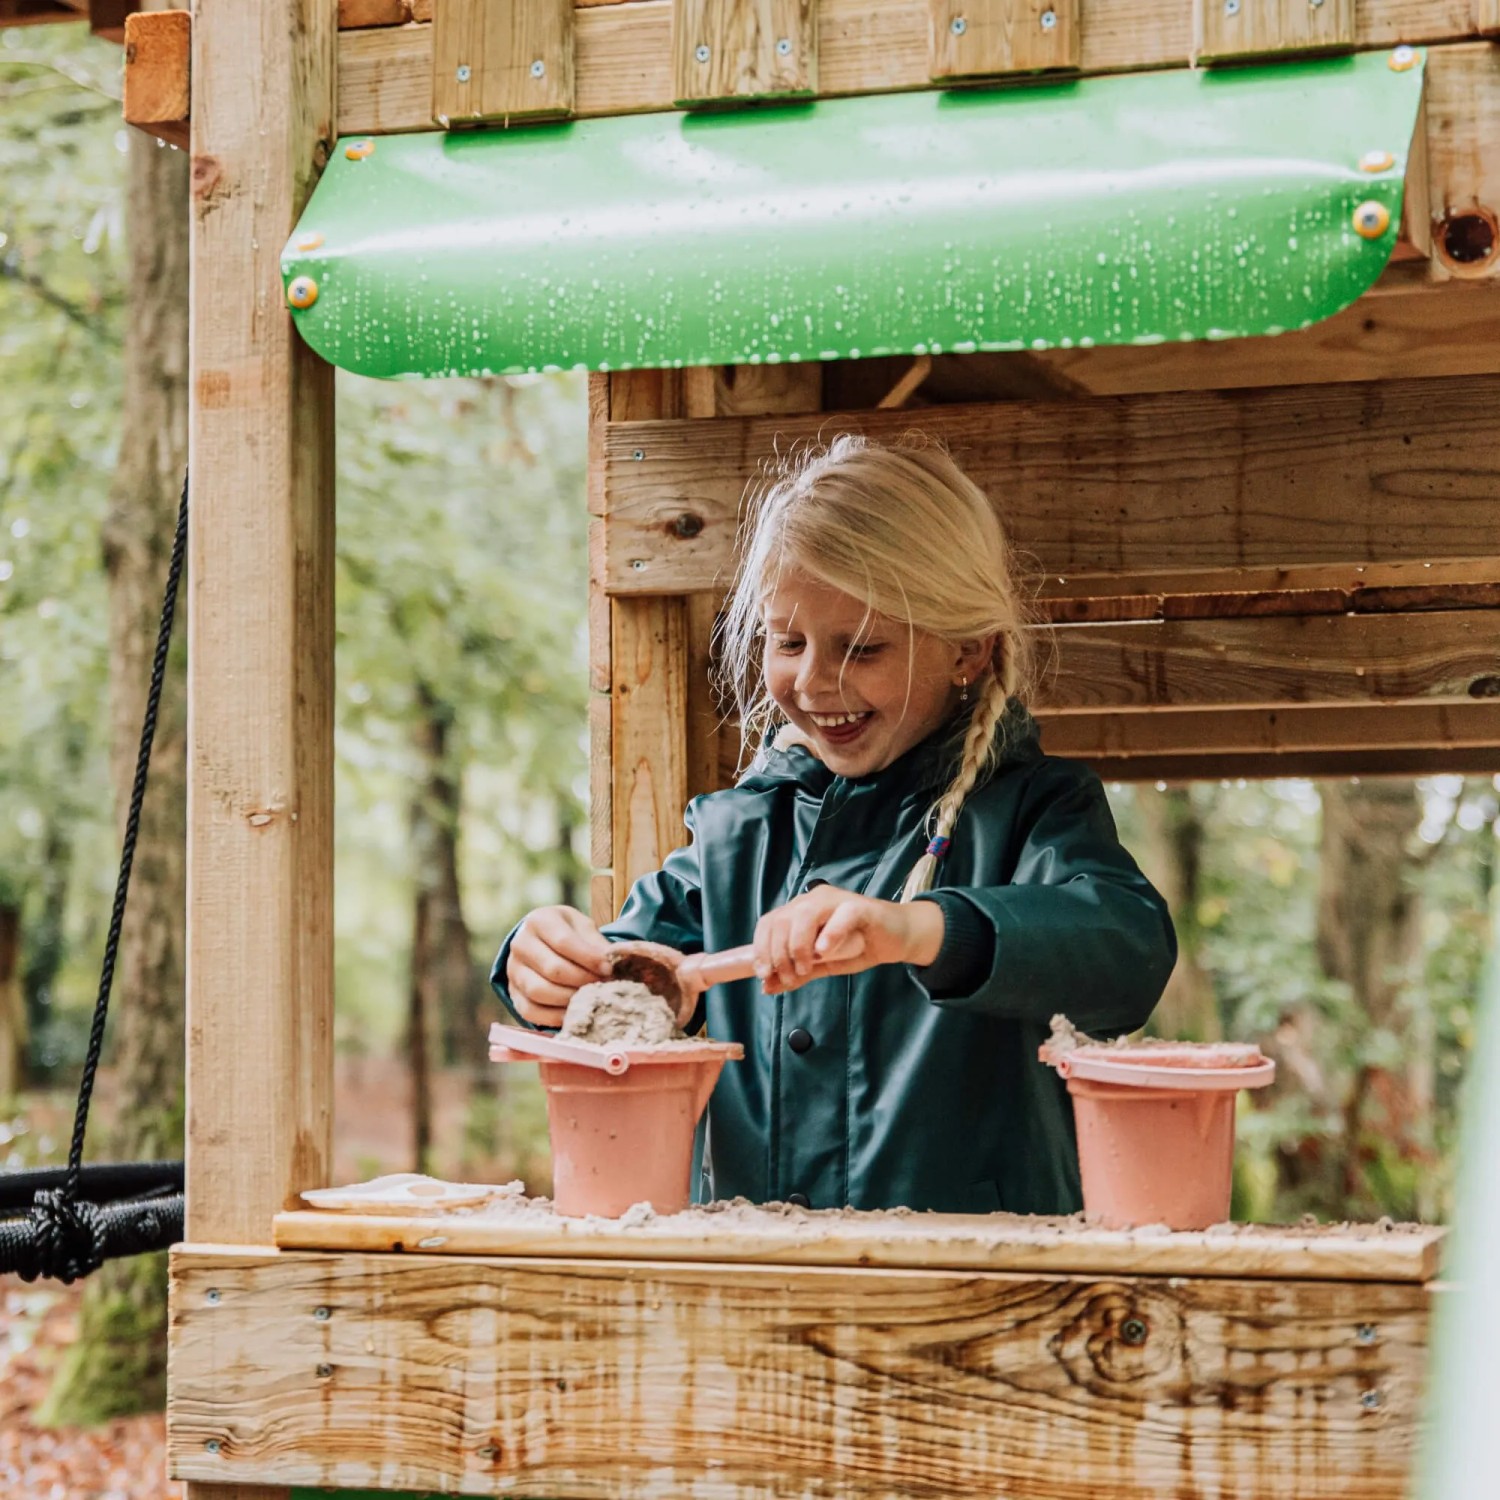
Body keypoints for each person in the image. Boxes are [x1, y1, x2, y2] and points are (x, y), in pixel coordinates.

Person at [492, 434, 1177, 1215]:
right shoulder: (736, 834)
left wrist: (917, 930)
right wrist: (542, 968)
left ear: (968, 651)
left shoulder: (1033, 810)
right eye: (788, 642)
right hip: (756, 1272)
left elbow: (1128, 951)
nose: (814, 682)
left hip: (968, 1273)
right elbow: (630, 979)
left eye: (862, 647)